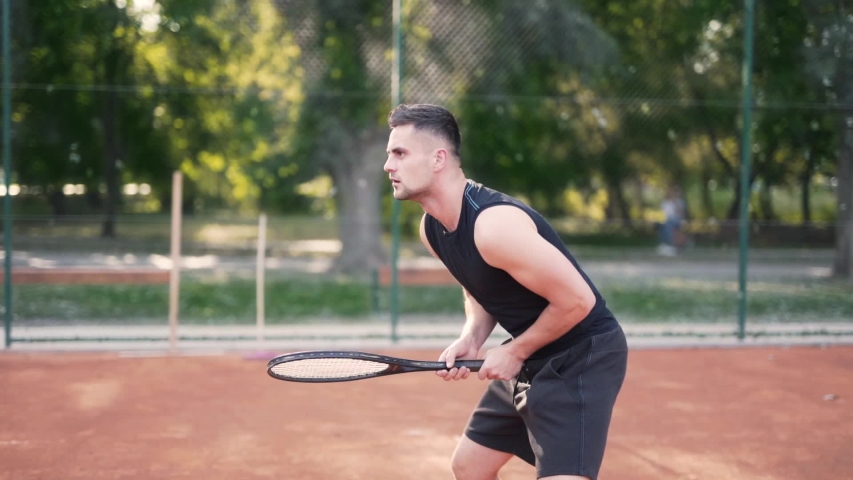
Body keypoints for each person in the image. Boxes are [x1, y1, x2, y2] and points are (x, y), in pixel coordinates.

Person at [383, 103, 628, 480]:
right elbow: (479, 288)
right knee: (469, 466)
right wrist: (473, 336)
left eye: (399, 153)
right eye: (389, 154)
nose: (388, 165)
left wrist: (515, 350)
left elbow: (580, 301)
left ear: (438, 159)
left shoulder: (493, 225)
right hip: (534, 352)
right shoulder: (432, 228)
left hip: (582, 355)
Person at [657, 186, 686, 257]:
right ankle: (665, 244)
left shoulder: (680, 202)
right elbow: (666, 213)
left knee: (668, 224)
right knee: (662, 225)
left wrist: (675, 203)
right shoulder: (665, 202)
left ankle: (672, 244)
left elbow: (681, 214)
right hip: (669, 220)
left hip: (678, 220)